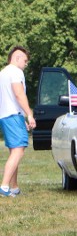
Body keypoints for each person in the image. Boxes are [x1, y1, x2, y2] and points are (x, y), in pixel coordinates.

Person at [0, 46, 37, 197]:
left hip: (5, 116)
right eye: (25, 60)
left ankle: (14, 187)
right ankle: (4, 186)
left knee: (13, 150)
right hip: (14, 115)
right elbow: (19, 94)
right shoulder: (16, 72)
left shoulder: (3, 73)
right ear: (17, 58)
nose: (26, 64)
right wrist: (29, 114)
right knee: (18, 151)